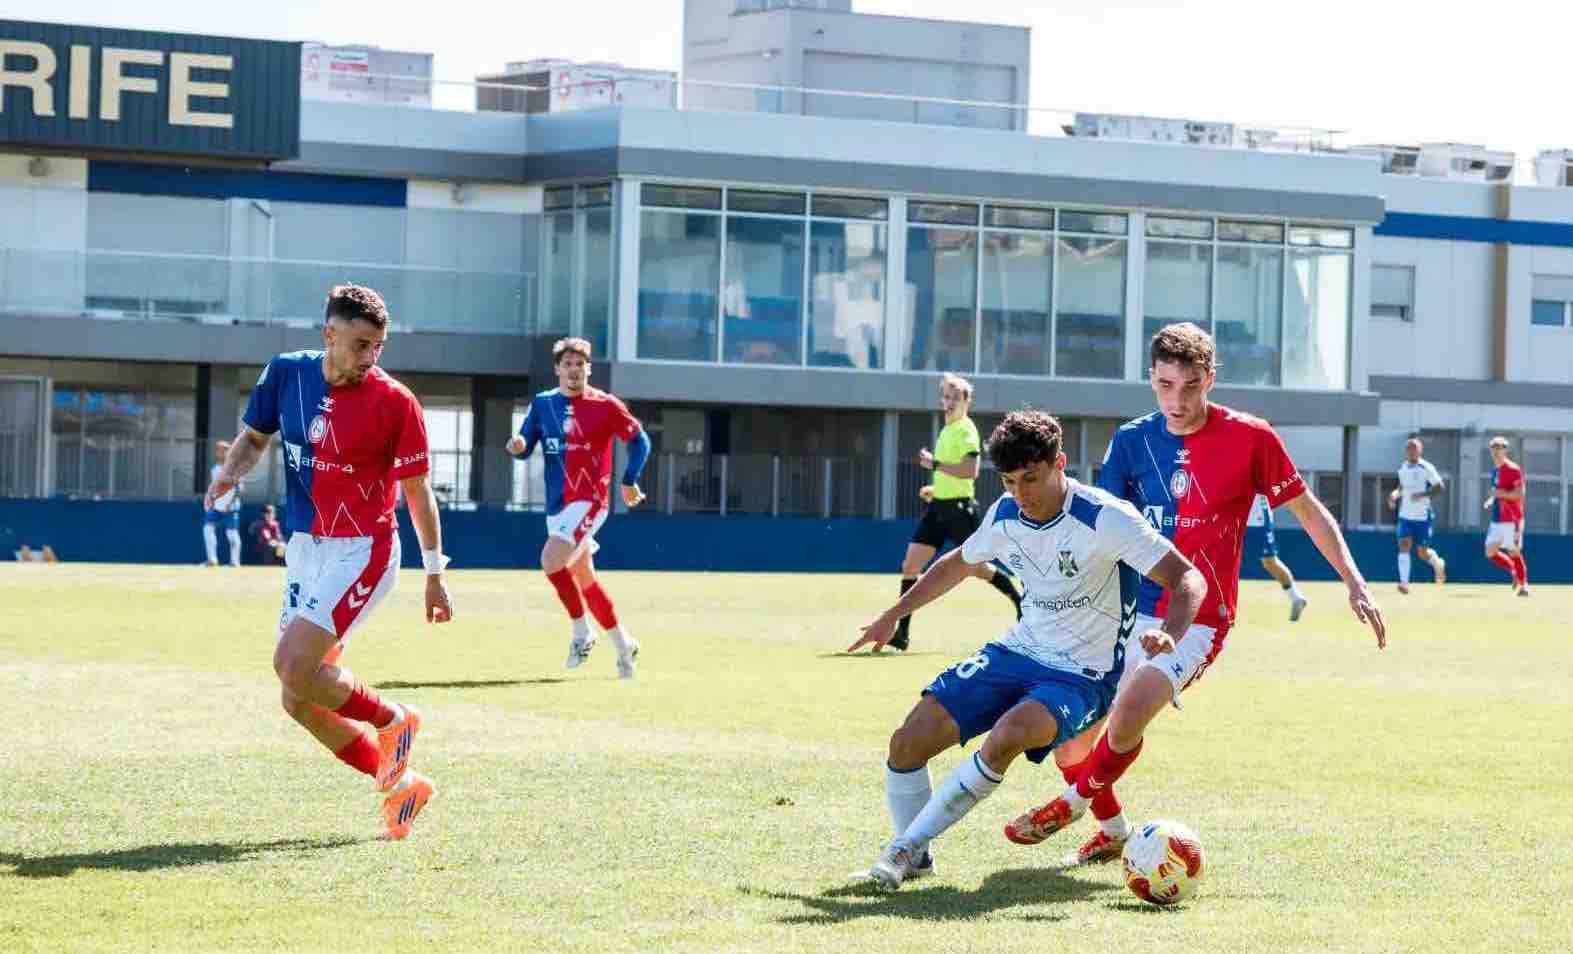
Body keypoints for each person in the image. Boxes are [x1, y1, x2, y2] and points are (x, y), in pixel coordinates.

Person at [1003, 321, 1386, 865]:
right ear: (1151, 379)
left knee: (1131, 709)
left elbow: (1307, 511)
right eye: (1165, 385)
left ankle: (1071, 803)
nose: (1177, 401)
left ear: (1210, 378)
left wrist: (1354, 580)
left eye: (1190, 386)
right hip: (1123, 611)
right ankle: (1111, 831)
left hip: (1200, 617)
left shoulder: (1252, 438)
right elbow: (1098, 531)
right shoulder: (1132, 441)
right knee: (1071, 739)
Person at [845, 410, 1205, 890]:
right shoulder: (1005, 513)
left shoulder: (1104, 517)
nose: (1021, 494)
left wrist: (1171, 633)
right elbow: (958, 563)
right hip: (1018, 651)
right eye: (1009, 482)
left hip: (1083, 675)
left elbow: (1187, 578)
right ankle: (917, 859)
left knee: (1010, 734)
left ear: (1060, 463)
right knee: (908, 741)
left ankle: (903, 848)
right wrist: (895, 613)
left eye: (1031, 479)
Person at [205, 284, 453, 841]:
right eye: (361, 345)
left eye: (378, 347)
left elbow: (418, 493)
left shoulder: (396, 402)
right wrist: (228, 476)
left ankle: (394, 720)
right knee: (298, 697)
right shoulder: (286, 374)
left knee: (293, 665)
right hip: (306, 548)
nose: (371, 357)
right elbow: (253, 438)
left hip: (364, 550)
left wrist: (435, 573)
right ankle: (403, 788)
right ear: (329, 335)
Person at [507, 337, 651, 678]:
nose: (574, 370)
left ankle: (581, 632)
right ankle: (624, 646)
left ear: (589, 369)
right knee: (585, 578)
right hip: (557, 506)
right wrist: (519, 446)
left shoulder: (606, 405)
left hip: (590, 500)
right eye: (567, 364)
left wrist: (629, 480)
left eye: (580, 364)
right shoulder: (543, 404)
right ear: (557, 369)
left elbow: (639, 441)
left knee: (550, 559)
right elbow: (526, 444)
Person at [890, 372, 1023, 651]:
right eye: (945, 397)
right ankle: (902, 634)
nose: (948, 402)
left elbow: (970, 471)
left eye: (954, 398)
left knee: (978, 568)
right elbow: (952, 474)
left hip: (960, 510)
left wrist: (935, 465)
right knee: (910, 566)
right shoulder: (947, 429)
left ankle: (1020, 602)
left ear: (966, 401)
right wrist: (935, 489)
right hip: (939, 508)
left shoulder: (966, 429)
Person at [1388, 437, 1447, 593]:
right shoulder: (1403, 468)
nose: (1412, 451)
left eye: (1414, 448)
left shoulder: (1426, 467)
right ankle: (1404, 583)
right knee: (1404, 545)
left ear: (1420, 450)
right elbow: (1401, 488)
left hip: (1422, 517)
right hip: (1405, 516)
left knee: (1422, 553)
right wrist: (1394, 495)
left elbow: (1440, 486)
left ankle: (1437, 563)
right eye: (1409, 448)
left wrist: (1422, 495)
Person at [1249, 493, 1309, 621]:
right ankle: (1219, 607)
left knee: (1269, 562)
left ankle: (1296, 598)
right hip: (1235, 514)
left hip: (1258, 517)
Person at [1482, 436, 1529, 596]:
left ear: (1505, 450)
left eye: (1500, 447)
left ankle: (1524, 586)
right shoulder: (1495, 470)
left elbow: (1520, 494)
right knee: (1490, 552)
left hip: (1512, 518)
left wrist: (1500, 494)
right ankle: (1513, 570)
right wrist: (1491, 499)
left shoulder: (1513, 469)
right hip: (1497, 518)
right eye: (1493, 448)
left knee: (1514, 551)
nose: (1496, 451)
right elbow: (1497, 492)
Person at [203, 441, 243, 567]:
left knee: (232, 535)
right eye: (219, 450)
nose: (221, 452)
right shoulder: (214, 469)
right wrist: (211, 500)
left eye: (224, 450)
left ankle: (235, 562)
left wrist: (230, 504)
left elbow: (239, 489)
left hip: (230, 508)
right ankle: (212, 560)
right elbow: (214, 488)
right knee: (207, 529)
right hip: (216, 507)